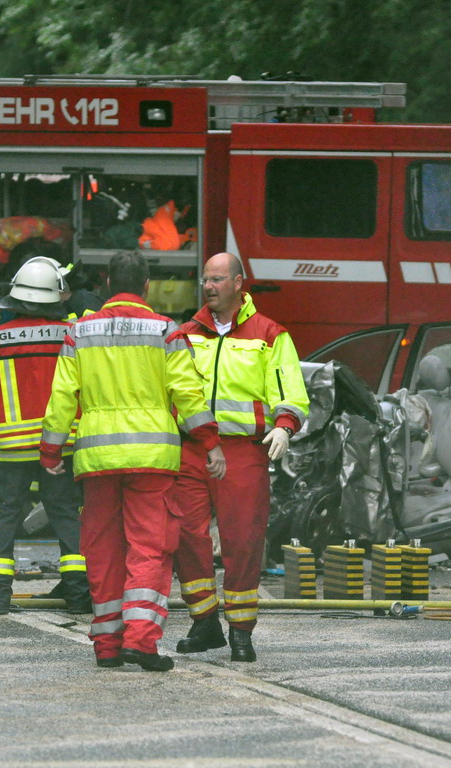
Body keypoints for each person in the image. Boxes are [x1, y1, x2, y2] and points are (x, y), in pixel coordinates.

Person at [39, 251, 225, 671]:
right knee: (150, 548)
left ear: (106, 283)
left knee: (103, 549)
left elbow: (62, 396)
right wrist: (209, 441)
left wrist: (50, 449)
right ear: (146, 286)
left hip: (97, 458)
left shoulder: (79, 331)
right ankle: (141, 641)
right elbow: (187, 394)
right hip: (152, 458)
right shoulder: (166, 331)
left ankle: (107, 646)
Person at [171, 252, 309, 662]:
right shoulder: (186, 332)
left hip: (243, 451)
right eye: (205, 280)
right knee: (185, 536)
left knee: (243, 542)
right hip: (193, 448)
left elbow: (292, 391)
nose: (209, 287)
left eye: (217, 279)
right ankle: (204, 621)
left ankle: (241, 631)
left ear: (238, 283)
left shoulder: (270, 334)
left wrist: (284, 426)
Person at [0, 259, 90, 616]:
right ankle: (79, 595)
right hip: (61, 445)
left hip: (10, 448)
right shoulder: (73, 333)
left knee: (4, 517)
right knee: (67, 516)